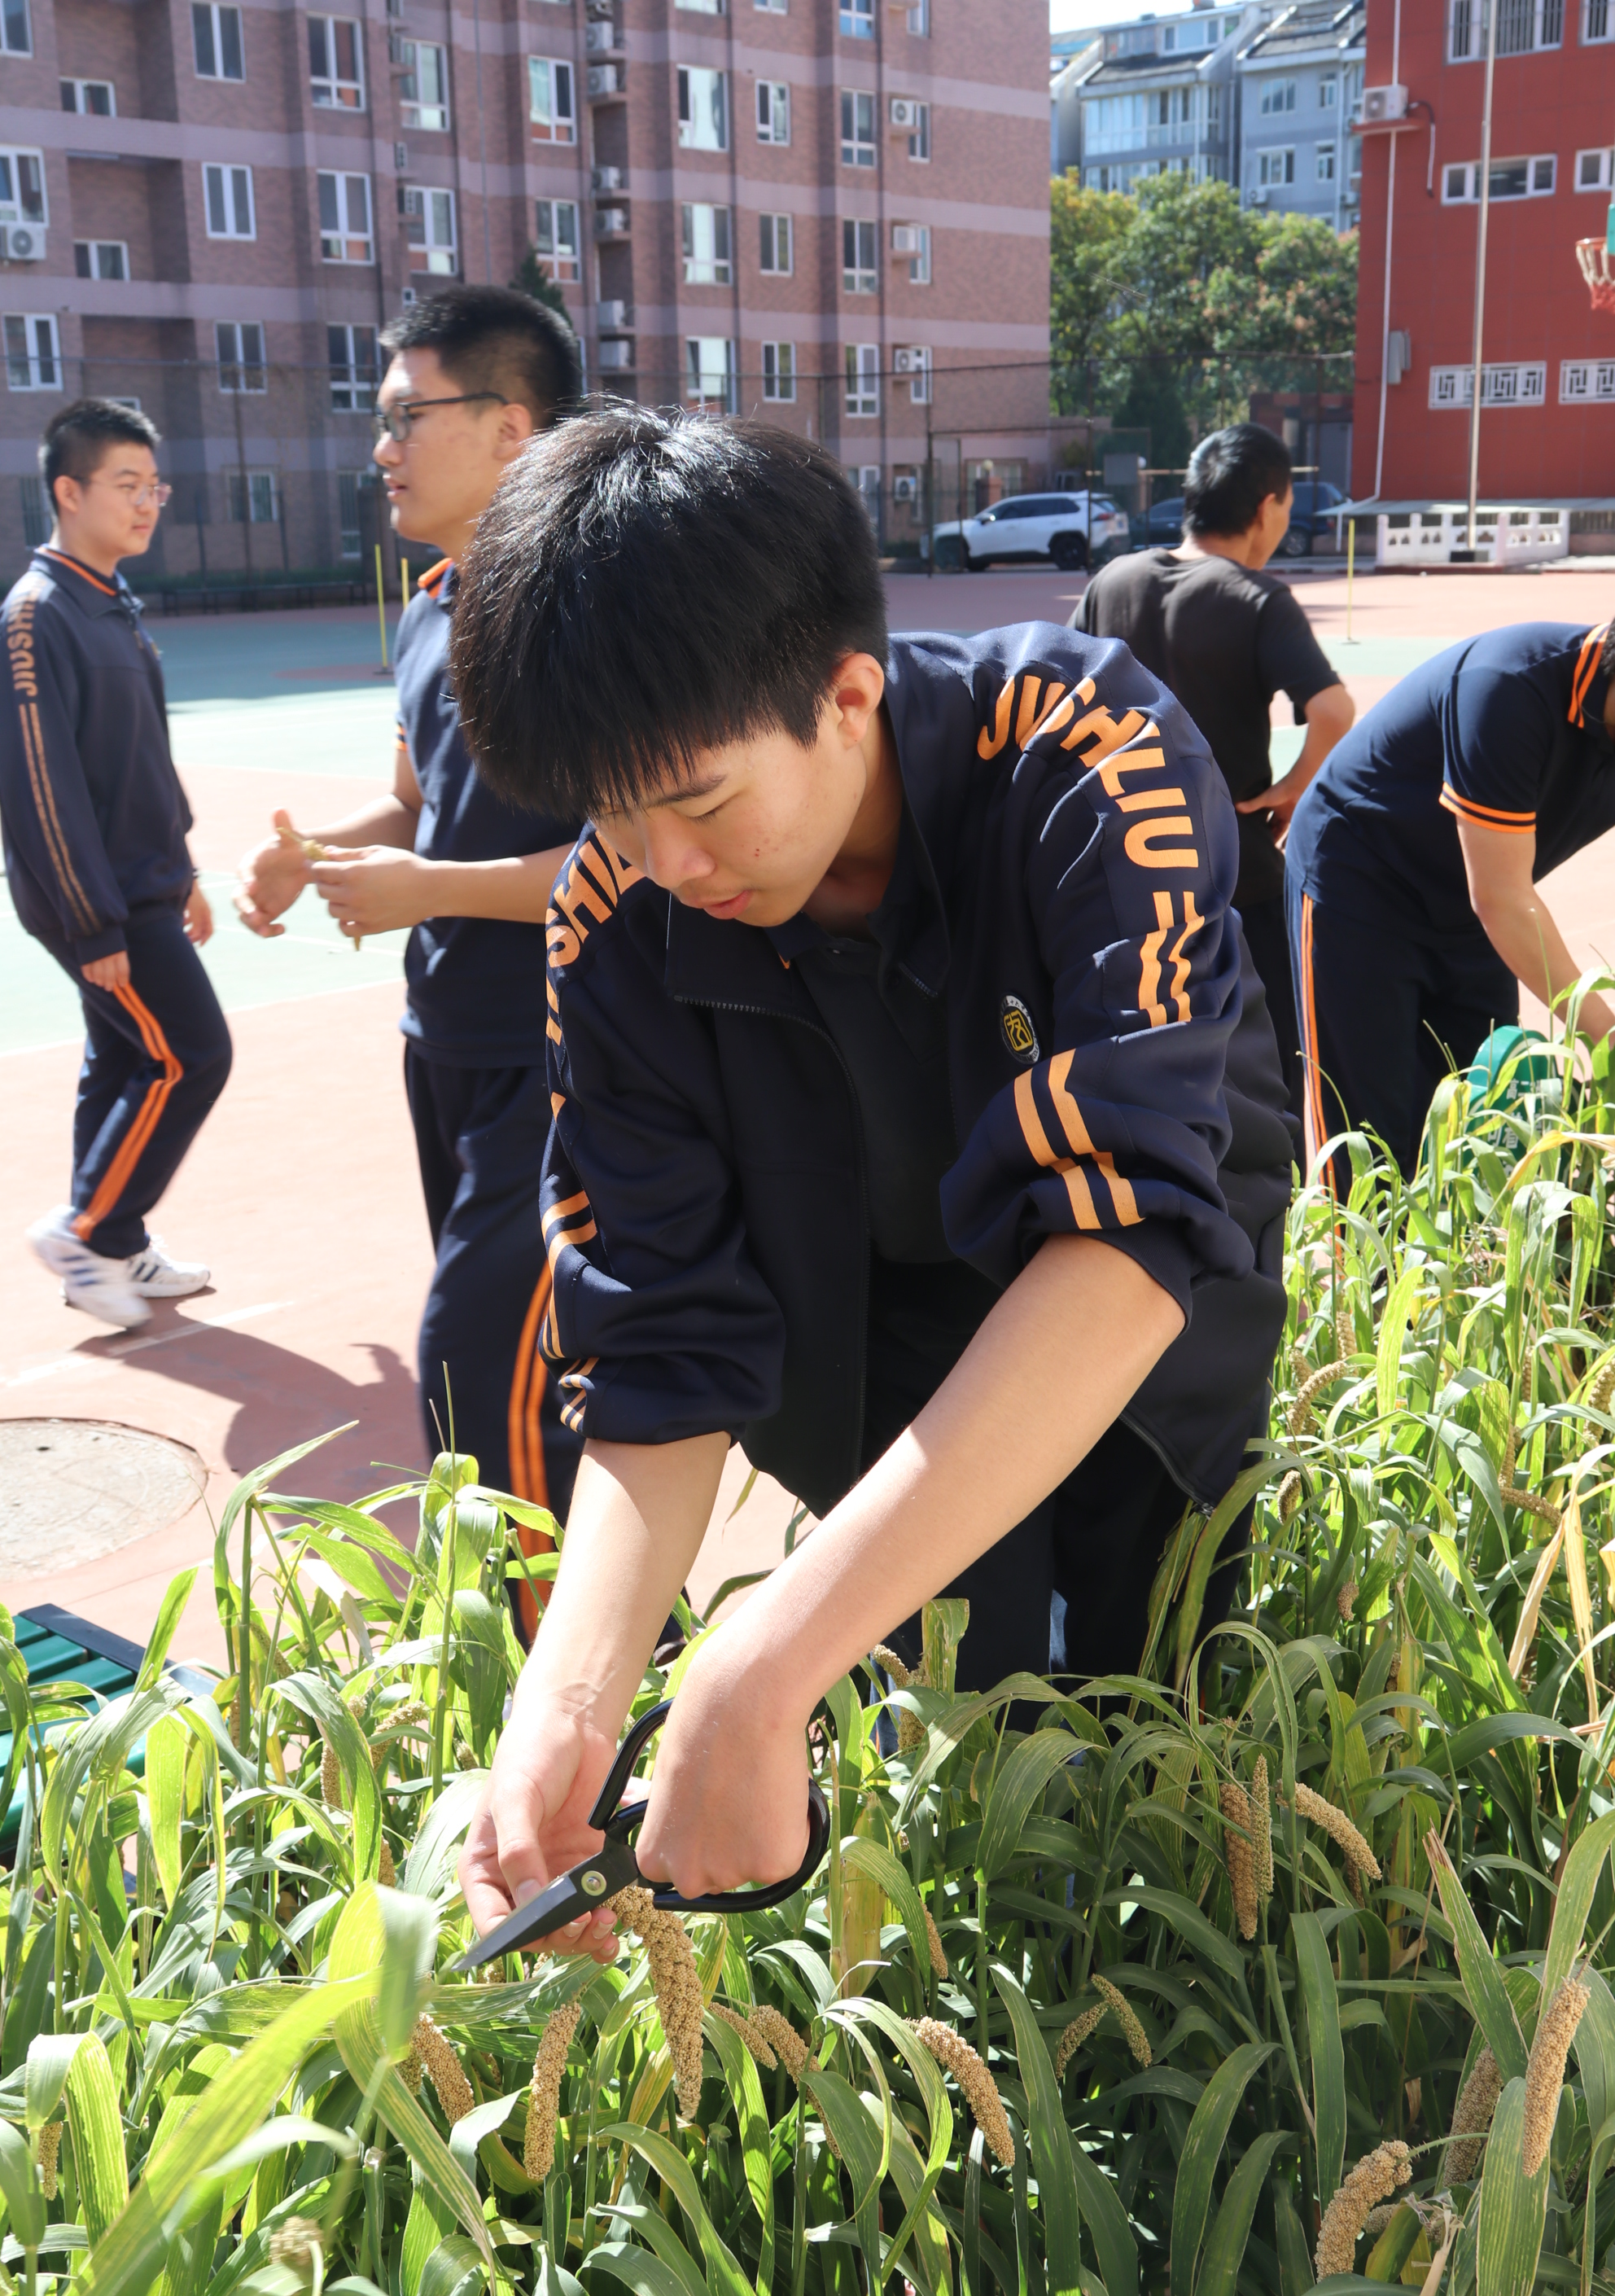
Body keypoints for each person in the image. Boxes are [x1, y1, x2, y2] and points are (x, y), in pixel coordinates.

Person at [443, 406, 1293, 1949]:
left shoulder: (1086, 752)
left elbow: (1125, 1241)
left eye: (696, 803)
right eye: (609, 815)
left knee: (1148, 1677)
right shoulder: (610, 911)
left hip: (1136, 1304)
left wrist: (761, 1658)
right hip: (866, 1319)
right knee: (929, 1661)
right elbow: (659, 1343)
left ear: (846, 696)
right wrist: (568, 1707)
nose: (662, 865)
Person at [234, 290, 585, 1582]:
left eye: (404, 418)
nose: (379, 446)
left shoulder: (583, 612)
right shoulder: (433, 599)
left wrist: (426, 887)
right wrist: (319, 852)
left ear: (510, 428)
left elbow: (639, 859)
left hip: (562, 1050)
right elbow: (416, 797)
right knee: (515, 1380)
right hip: (442, 1038)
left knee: (475, 1370)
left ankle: (583, 1723)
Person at [3, 398, 227, 1331]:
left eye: (154, 487)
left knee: (122, 1057)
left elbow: (143, 758)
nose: (148, 504)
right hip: (97, 899)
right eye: (126, 486)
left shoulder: (110, 602)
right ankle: (87, 1229)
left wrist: (186, 872)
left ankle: (115, 1244)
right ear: (69, 490)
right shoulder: (37, 615)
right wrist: (93, 922)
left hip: (144, 884)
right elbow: (40, 785)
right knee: (192, 1056)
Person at [1074, 424, 1355, 1133]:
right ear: (1268, 506)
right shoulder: (1256, 598)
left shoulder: (1114, 581)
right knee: (1266, 1073)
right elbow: (1333, 708)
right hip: (1233, 877)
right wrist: (1294, 786)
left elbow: (1058, 693)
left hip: (1121, 870)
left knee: (1130, 1058)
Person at [1286, 620, 1615, 1181]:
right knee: (1367, 1137)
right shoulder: (1510, 687)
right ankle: (1361, 1265)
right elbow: (1501, 898)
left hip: (1472, 902)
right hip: (1362, 882)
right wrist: (1608, 1040)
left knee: (1481, 1115)